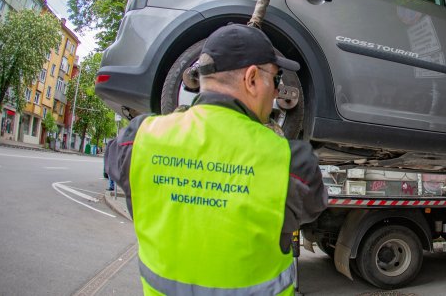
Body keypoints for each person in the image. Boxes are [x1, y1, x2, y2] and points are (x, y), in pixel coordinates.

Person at [107, 24, 327, 295]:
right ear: (252, 78)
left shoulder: (139, 139)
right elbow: (311, 209)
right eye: (276, 78)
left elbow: (115, 165)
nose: (276, 91)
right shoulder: (291, 163)